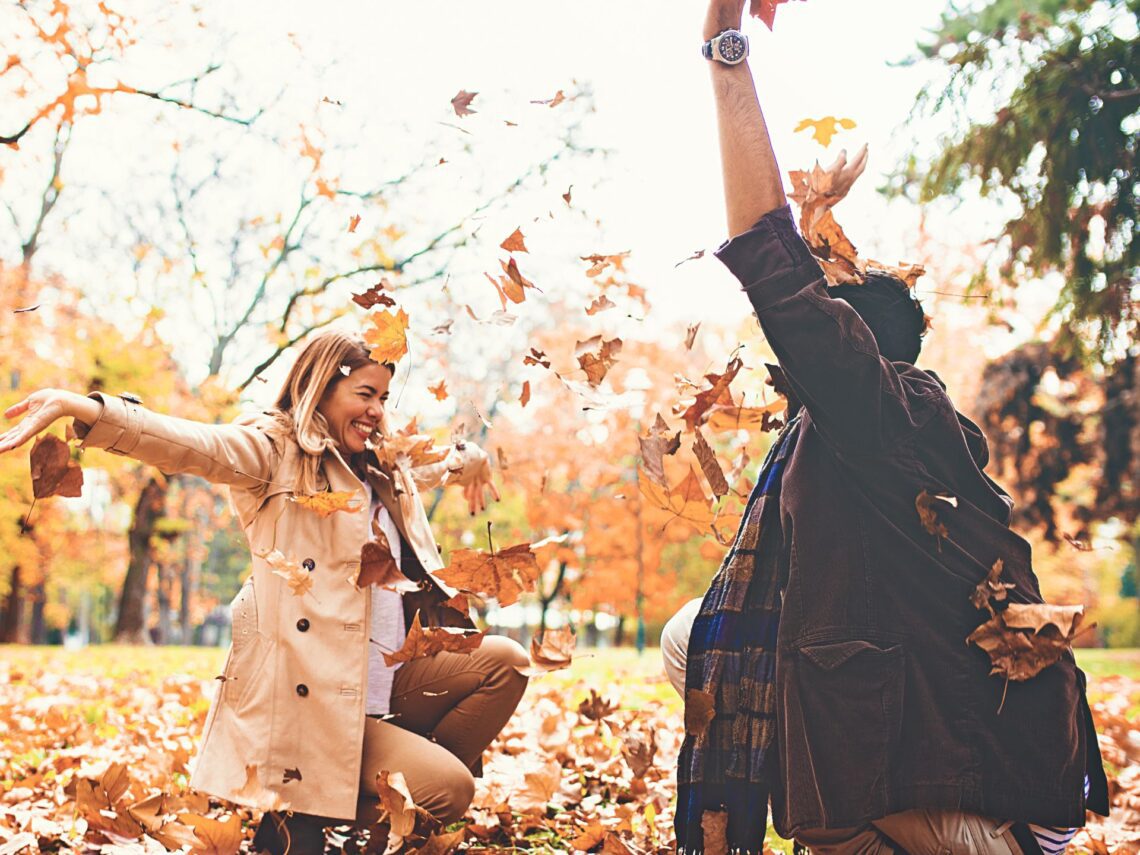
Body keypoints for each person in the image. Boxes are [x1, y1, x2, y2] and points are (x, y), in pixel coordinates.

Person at [660, 2, 1110, 853]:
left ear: (847, 345)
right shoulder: (899, 441)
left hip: (972, 806)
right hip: (992, 778)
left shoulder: (875, 410)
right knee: (700, 632)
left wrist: (727, 59)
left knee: (729, 660)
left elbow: (770, 255)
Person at [0, 329, 530, 853]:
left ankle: (357, 812)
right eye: (364, 395)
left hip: (386, 685)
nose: (377, 411)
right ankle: (319, 828)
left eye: (384, 398)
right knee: (451, 789)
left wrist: (475, 458)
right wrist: (87, 409)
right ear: (320, 389)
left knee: (507, 661)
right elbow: (191, 444)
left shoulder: (384, 463)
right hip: (321, 704)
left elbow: (444, 463)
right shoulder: (275, 452)